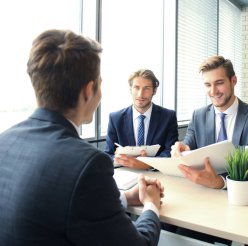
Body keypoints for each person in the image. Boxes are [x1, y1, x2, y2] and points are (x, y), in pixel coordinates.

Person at [0, 29, 164, 246]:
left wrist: (124, 198)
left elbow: (60, 210)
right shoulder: (88, 165)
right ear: (89, 90)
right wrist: (151, 204)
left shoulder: (5, 142)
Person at [172, 55, 248, 189]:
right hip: (203, 194)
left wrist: (220, 182)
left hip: (243, 197)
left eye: (219, 83)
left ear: (234, 80)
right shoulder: (198, 116)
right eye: (208, 85)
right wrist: (182, 149)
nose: (213, 91)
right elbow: (188, 145)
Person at [105, 69, 178, 170]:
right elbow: (108, 154)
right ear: (130, 89)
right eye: (136, 87)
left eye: (146, 88)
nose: (140, 94)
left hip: (156, 175)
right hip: (125, 175)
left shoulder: (168, 117)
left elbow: (171, 152)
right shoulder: (115, 118)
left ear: (154, 91)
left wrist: (148, 164)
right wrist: (120, 159)